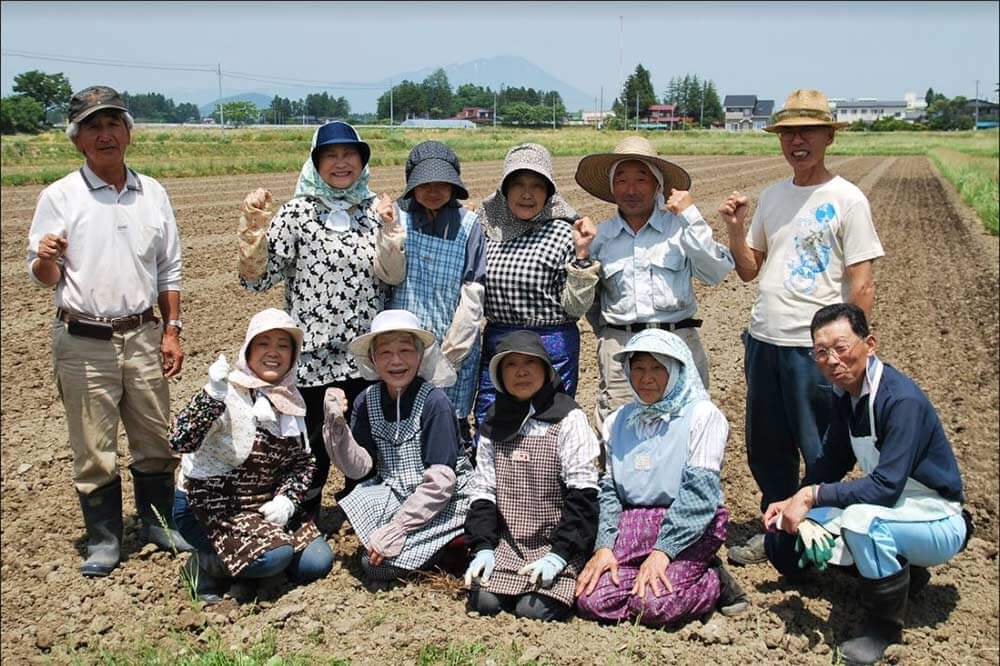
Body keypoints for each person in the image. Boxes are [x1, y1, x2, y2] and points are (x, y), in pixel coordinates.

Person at [26, 85, 191, 577]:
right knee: (93, 446)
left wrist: (172, 330)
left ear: (128, 133)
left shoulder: (153, 193)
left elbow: (170, 270)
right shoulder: (60, 196)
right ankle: (104, 540)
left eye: (114, 123)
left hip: (143, 333)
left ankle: (158, 523)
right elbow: (43, 276)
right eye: (93, 127)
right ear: (77, 139)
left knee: (155, 438)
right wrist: (46, 260)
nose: (105, 134)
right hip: (83, 340)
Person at [719, 89, 885, 565]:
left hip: (812, 349)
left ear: (828, 136)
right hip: (764, 339)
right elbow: (750, 270)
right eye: (789, 132)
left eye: (808, 131)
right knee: (767, 444)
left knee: (819, 446)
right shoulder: (774, 197)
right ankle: (777, 529)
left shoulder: (847, 199)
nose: (798, 141)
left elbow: (862, 284)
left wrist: (845, 349)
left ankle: (817, 528)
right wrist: (735, 227)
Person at [763, 303, 972, 665]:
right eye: (821, 352)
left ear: (869, 343)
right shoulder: (847, 396)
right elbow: (831, 463)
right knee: (786, 539)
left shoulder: (900, 400)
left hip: (936, 516)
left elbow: (886, 486)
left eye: (841, 347)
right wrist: (793, 500)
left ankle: (884, 629)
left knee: (864, 523)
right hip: (894, 510)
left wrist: (813, 496)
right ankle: (906, 576)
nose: (831, 360)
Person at [238, 121, 389, 515]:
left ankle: (364, 515)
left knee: (362, 438)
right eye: (331, 156)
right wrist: (255, 227)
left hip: (363, 355)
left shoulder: (377, 212)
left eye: (349, 155)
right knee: (312, 444)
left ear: (362, 161)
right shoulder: (297, 213)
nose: (341, 164)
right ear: (316, 163)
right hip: (311, 358)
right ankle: (305, 516)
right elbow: (258, 279)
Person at [575, 330, 747, 627]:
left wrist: (663, 552)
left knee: (654, 606)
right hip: (634, 522)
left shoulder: (702, 416)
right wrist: (604, 546)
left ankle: (712, 581)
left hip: (690, 521)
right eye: (638, 368)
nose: (646, 378)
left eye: (658, 368)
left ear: (677, 371)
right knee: (592, 600)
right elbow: (610, 491)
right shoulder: (618, 421)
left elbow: (699, 494)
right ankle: (654, 577)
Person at [170, 309, 333, 603]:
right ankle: (206, 565)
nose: (274, 353)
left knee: (316, 561)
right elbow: (180, 439)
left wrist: (286, 500)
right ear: (248, 349)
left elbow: (302, 463)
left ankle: (253, 570)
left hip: (262, 507)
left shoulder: (290, 400)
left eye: (283, 345)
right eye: (264, 344)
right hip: (212, 509)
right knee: (276, 556)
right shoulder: (227, 392)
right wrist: (210, 397)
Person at [573, 136, 734, 429]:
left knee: (687, 430)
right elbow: (586, 305)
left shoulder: (680, 228)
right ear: (611, 188)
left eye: (641, 179)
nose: (630, 189)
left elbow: (715, 272)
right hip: (622, 352)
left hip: (677, 345)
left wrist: (691, 215)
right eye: (621, 180)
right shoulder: (601, 238)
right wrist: (612, 335)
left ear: (658, 185)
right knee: (617, 433)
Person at [323, 309, 472, 581]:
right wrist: (336, 428)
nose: (396, 361)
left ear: (419, 356)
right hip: (396, 491)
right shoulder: (366, 401)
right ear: (372, 359)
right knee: (365, 511)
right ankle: (435, 551)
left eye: (405, 350)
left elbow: (442, 481)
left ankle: (450, 548)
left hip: (442, 497)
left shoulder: (434, 402)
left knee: (374, 565)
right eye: (385, 353)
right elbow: (360, 469)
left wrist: (397, 529)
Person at [463, 331, 601, 621]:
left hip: (557, 543)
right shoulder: (493, 420)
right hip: (510, 544)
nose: (521, 371)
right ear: (499, 374)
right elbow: (483, 490)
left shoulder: (569, 419)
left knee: (531, 610)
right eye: (511, 364)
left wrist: (560, 555)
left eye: (530, 362)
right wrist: (484, 546)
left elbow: (583, 496)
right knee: (485, 603)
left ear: (546, 370)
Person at [473, 143, 599, 430]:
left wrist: (581, 257)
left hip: (551, 345)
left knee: (549, 425)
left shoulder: (566, 232)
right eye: (517, 184)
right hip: (501, 343)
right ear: (504, 189)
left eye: (537, 185)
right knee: (492, 420)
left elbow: (576, 306)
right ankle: (491, 475)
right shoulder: (487, 229)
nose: (527, 194)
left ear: (549, 191)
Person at [374, 141, 486, 443]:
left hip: (452, 344)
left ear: (454, 185)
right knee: (403, 421)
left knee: (449, 422)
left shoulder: (469, 225)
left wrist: (451, 353)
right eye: (425, 183)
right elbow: (390, 274)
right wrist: (389, 233)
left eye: (443, 183)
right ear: (412, 184)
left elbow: (473, 292)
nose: (434, 190)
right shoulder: (396, 217)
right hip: (402, 343)